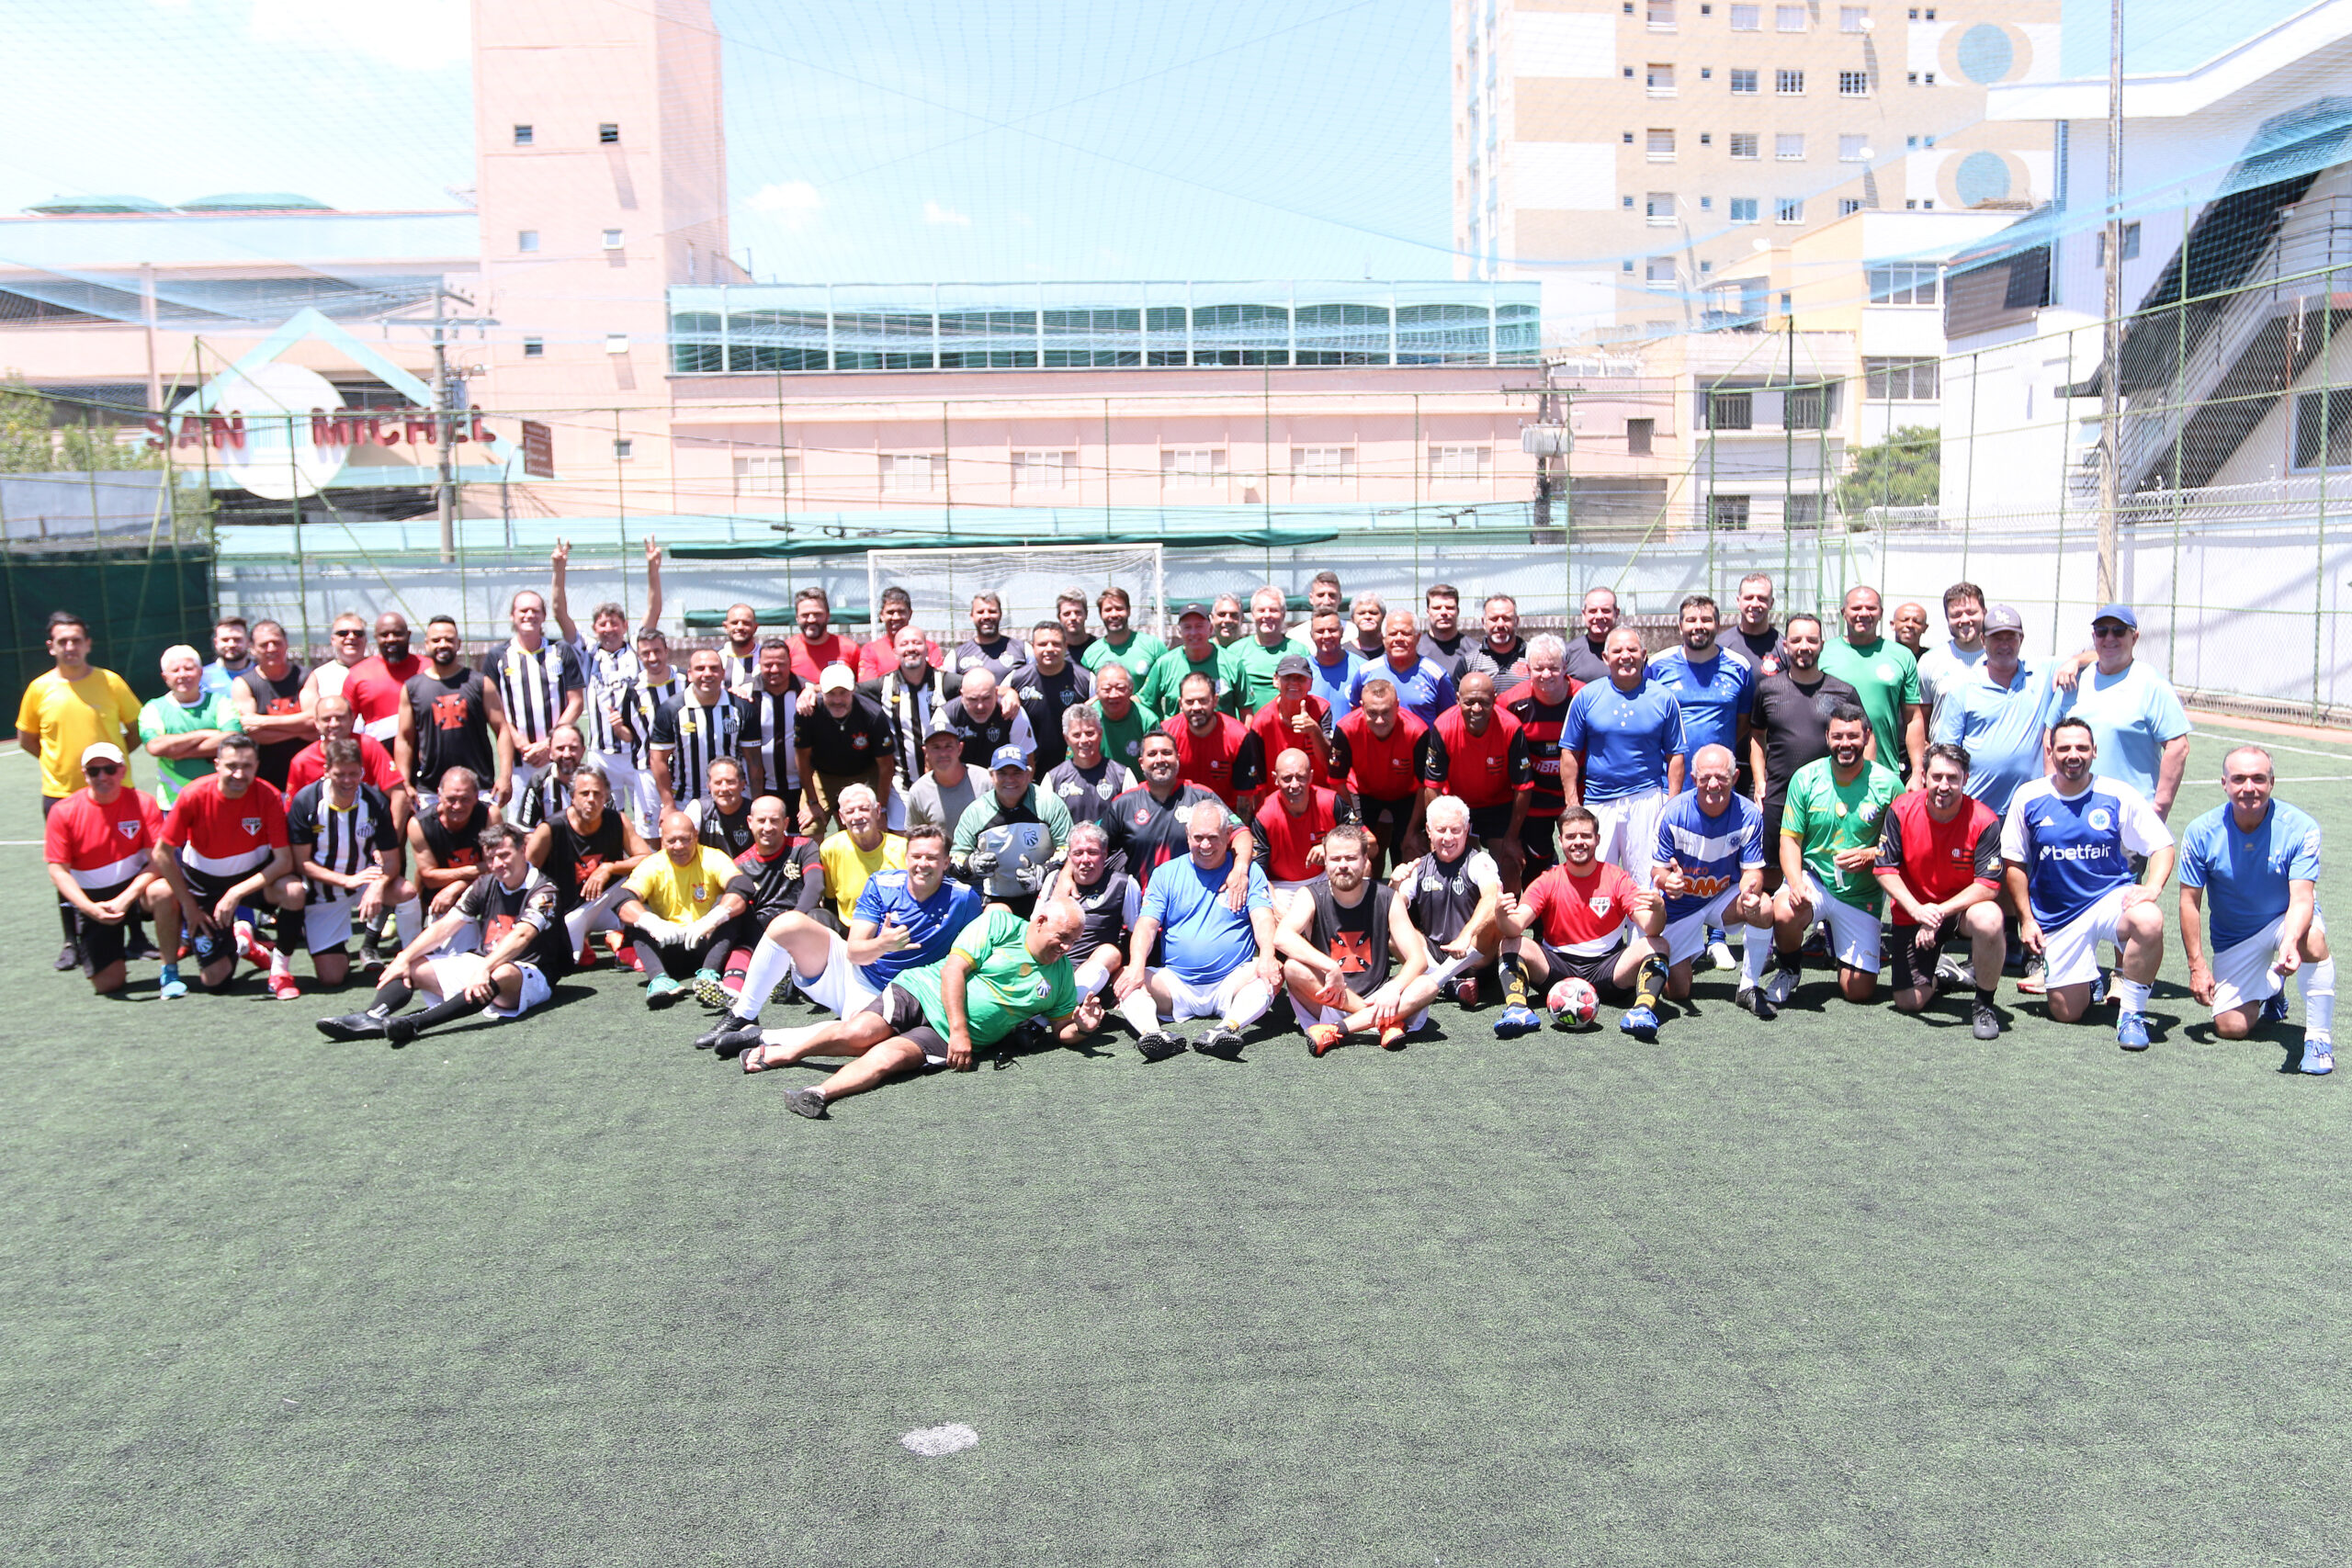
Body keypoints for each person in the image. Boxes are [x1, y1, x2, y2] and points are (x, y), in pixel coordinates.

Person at [742, 900, 1102, 1120]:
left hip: (941, 1035)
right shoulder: (1000, 925)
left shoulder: (1062, 974)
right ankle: (783, 1053)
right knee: (858, 1033)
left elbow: (1061, 1030)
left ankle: (817, 1094)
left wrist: (1081, 1026)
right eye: (1063, 936)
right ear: (1040, 922)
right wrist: (961, 1033)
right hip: (921, 990)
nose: (1067, 947)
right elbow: (953, 970)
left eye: (1074, 940)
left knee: (887, 1058)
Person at [699, 822, 978, 1054]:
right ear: (906, 858)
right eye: (916, 856)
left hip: (897, 996)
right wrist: (885, 944)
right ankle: (742, 1015)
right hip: (854, 972)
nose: (923, 864)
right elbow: (855, 952)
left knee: (861, 1036)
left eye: (932, 858)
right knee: (788, 924)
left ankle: (762, 1037)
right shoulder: (882, 884)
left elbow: (976, 950)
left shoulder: (963, 898)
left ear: (946, 862)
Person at [2003, 717, 2175, 1049]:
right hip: (2059, 916)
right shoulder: (2030, 796)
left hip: (2110, 898)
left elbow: (2162, 845)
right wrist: (2025, 919)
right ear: (2050, 752)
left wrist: (2152, 887)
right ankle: (2089, 979)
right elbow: (2014, 862)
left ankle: (2132, 1015)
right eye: (2064, 747)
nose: (2073, 754)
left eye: (2082, 747)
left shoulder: (2116, 794)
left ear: (2094, 751)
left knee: (2150, 920)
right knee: (2068, 1011)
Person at [316, 821, 569, 1045]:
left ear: (523, 850)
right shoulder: (485, 882)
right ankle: (371, 1016)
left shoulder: (544, 891)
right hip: (484, 965)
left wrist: (485, 968)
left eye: (504, 855)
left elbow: (522, 936)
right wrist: (404, 957)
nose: (497, 865)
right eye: (491, 859)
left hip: (530, 975)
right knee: (412, 965)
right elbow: (447, 925)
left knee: (501, 972)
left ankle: (416, 1023)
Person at [2179, 744, 2333, 1074]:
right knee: (2231, 1027)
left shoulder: (2301, 827)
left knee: (2312, 941)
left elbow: (2303, 897)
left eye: (2258, 779)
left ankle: (2318, 1041)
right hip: (2235, 936)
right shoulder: (2200, 832)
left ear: (2272, 782)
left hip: (2284, 918)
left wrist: (2290, 942)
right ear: (2224, 783)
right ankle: (2272, 988)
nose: (2249, 787)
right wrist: (2197, 966)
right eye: (2239, 779)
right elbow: (2189, 902)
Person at [21, 611, 149, 971]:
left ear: (88, 643)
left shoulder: (110, 682)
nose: (70, 647)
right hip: (61, 795)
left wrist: (112, 769)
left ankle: (136, 937)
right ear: (51, 647)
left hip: (117, 792)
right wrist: (60, 766)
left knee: (130, 860)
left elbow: (135, 728)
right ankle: (71, 942)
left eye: (77, 640)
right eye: (62, 641)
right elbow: (28, 739)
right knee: (66, 868)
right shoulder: (39, 688)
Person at [1115, 799, 1281, 1061]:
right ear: (1187, 835)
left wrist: (1269, 955)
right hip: (1176, 984)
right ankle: (1154, 1035)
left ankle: (1226, 1029)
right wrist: (1137, 965)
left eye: (1213, 838)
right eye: (1199, 837)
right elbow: (1147, 925)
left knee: (1269, 975)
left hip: (1231, 981)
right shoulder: (1166, 873)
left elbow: (1263, 919)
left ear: (1228, 835)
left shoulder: (1248, 873)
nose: (1205, 845)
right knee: (1127, 979)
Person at [1489, 807, 1669, 1040]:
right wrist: (1502, 915)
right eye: (1571, 836)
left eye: (1585, 835)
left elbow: (1652, 928)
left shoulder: (1617, 878)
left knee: (1659, 945)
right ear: (1560, 840)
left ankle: (1641, 1011)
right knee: (1511, 943)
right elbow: (1515, 926)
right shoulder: (1548, 881)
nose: (1579, 842)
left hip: (1608, 969)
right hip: (1557, 969)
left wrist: (1658, 910)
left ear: (1597, 839)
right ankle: (1517, 1010)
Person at [1765, 702, 1899, 1008]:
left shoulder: (1889, 784)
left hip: (1859, 892)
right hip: (1816, 880)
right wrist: (1795, 882)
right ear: (1827, 737)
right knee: (1785, 909)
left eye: (1852, 736)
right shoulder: (1805, 778)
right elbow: (1789, 839)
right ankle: (1789, 969)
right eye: (1838, 736)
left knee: (1859, 992)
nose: (1845, 744)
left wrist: (1869, 855)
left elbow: (1899, 847)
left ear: (1866, 736)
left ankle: (1837, 940)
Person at [150, 733, 301, 999]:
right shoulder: (193, 795)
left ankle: (280, 972)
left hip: (251, 879)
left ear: (257, 765)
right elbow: (162, 854)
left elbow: (284, 861)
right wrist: (189, 907)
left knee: (293, 891)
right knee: (215, 981)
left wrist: (235, 893)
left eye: (247, 766)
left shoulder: (268, 795)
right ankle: (174, 969)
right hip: (203, 884)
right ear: (217, 764)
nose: (239, 774)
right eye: (232, 766)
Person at [1874, 741, 2007, 1039]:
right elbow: (1884, 870)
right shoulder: (1901, 810)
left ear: (1966, 780)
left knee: (1990, 918)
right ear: (1924, 777)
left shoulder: (1985, 821)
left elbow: (1988, 885)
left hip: (1960, 912)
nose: (1943, 785)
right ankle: (1944, 974)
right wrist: (1917, 910)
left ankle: (1984, 1005)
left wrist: (1937, 913)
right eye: (1937, 777)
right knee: (1909, 1001)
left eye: (1952, 778)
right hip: (1914, 911)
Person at [1277, 824, 1439, 1055]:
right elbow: (1282, 937)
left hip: (1381, 997)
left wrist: (1394, 987)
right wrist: (1330, 966)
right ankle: (1381, 1022)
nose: (1342, 865)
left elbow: (1417, 959)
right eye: (1335, 858)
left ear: (1365, 860)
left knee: (1428, 984)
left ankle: (1338, 1030)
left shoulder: (1387, 898)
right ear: (1326, 861)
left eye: (1351, 858)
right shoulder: (1310, 895)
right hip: (1331, 997)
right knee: (1293, 968)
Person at [1649, 744, 1778, 1018]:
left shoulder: (1750, 814)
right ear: (1693, 780)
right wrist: (1668, 882)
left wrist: (1750, 891)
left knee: (1764, 907)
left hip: (1721, 898)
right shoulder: (1672, 813)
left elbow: (1753, 872)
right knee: (1678, 990)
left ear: (1735, 777)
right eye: (1705, 777)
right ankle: (1686, 953)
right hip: (1679, 906)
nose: (1713, 784)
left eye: (1721, 777)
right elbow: (1657, 871)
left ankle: (1748, 987)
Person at [43, 741, 172, 996]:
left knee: (164, 891)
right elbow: (58, 870)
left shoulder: (143, 803)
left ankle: (171, 969)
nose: (103, 776)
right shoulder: (63, 812)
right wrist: (90, 908)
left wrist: (126, 899)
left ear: (122, 771)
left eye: (110, 769)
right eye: (94, 771)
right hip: (95, 900)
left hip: (137, 892)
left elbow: (158, 860)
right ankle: (115, 952)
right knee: (108, 984)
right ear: (85, 775)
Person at [1562, 626, 1686, 887]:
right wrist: (1574, 806)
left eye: (1632, 650)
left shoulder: (1664, 698)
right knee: (1593, 884)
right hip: (1598, 803)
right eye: (1617, 651)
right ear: (1606, 658)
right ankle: (1602, 931)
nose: (1625, 656)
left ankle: (1644, 931)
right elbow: (1570, 753)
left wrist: (1671, 807)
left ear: (1644, 655)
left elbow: (1675, 756)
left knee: (1646, 885)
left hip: (1646, 800)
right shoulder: (1586, 697)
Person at [284, 738, 413, 989]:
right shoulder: (307, 802)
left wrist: (378, 886)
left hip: (365, 881)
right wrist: (346, 880)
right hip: (324, 891)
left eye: (353, 773)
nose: (347, 780)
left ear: (362, 771)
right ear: (326, 771)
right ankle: (338, 949)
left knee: (405, 891)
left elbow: (392, 860)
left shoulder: (374, 801)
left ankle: (412, 955)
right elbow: (302, 864)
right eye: (339, 774)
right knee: (332, 978)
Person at [1746, 614, 1863, 888]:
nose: (1804, 646)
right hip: (1779, 796)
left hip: (1830, 797)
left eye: (1811, 640)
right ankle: (1771, 930)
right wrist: (1760, 783)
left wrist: (1859, 784)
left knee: (1828, 869)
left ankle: (1825, 930)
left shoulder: (1843, 691)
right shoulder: (1768, 689)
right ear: (1785, 646)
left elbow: (1862, 740)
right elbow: (1756, 737)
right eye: (1796, 640)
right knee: (1772, 870)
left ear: (1822, 644)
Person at [549, 534, 662, 815]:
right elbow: (559, 613)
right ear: (595, 628)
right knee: (602, 817)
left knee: (648, 818)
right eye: (602, 624)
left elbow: (654, 609)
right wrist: (558, 570)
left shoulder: (637, 649)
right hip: (601, 755)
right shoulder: (587, 651)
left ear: (624, 626)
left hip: (637, 751)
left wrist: (653, 569)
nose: (609, 628)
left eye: (614, 623)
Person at [2049, 603, 2193, 822]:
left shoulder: (2152, 684)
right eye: (2102, 631)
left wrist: (2160, 807)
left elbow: (2178, 747)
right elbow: (2049, 736)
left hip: (2127, 817)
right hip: (2071, 811)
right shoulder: (2073, 680)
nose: (2109, 638)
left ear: (2134, 638)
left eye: (2118, 631)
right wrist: (2053, 792)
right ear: (2094, 636)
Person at [613, 808, 755, 1006]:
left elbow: (742, 886)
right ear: (662, 840)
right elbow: (621, 899)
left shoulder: (713, 857)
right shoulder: (652, 864)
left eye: (685, 839)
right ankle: (659, 979)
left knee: (732, 908)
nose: (678, 846)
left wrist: (712, 919)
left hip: (707, 942)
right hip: (668, 944)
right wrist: (652, 923)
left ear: (696, 836)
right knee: (636, 920)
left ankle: (709, 975)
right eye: (671, 841)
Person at [1932, 604, 2053, 820]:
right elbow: (1946, 751)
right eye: (1997, 638)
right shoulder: (1963, 688)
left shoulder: (2043, 674)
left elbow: (2094, 657)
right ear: (1983, 641)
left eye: (2011, 637)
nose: (2004, 644)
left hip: (2030, 810)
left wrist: (2075, 663)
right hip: (1976, 809)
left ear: (2021, 640)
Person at [525, 758, 652, 963]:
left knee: (650, 895)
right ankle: (585, 940)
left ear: (606, 797)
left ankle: (624, 941)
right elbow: (526, 875)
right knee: (570, 961)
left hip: (607, 902)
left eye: (597, 793)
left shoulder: (617, 820)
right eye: (584, 793)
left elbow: (648, 860)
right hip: (568, 911)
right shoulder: (550, 829)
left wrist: (609, 867)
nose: (591, 799)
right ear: (572, 797)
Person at [1101, 730, 1252, 889]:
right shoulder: (1123, 803)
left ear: (1178, 758)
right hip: (1142, 903)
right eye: (1152, 754)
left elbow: (1240, 832)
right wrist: (1070, 875)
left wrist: (1240, 869)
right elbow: (1093, 846)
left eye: (1167, 753)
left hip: (1195, 901)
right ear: (1141, 762)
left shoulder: (1201, 796)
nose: (1160, 759)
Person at [1393, 793, 1505, 1006]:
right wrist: (1395, 886)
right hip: (1436, 954)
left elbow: (1491, 898)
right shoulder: (1419, 866)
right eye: (1441, 830)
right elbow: (1395, 909)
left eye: (1455, 830)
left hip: (1475, 955)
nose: (1448, 838)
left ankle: (1438, 981)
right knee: (1393, 931)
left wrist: (1466, 935)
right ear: (1428, 830)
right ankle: (1450, 982)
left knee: (1494, 916)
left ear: (1466, 830)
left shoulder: (1480, 861)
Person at [396, 615, 511, 815]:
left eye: (449, 640)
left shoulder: (480, 683)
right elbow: (405, 739)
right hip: (431, 791)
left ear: (458, 644)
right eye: (436, 640)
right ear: (426, 644)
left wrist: (505, 776)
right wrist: (405, 782)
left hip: (479, 788)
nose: (443, 644)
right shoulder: (412, 688)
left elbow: (502, 730)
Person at [489, 588, 586, 819]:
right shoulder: (498, 656)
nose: (529, 615)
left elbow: (576, 703)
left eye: (535, 610)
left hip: (558, 756)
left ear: (543, 616)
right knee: (521, 825)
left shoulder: (562, 651)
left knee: (567, 819)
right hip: (520, 759)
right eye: (523, 610)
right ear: (512, 616)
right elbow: (495, 709)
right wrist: (521, 744)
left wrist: (549, 744)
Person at [1431, 671, 1532, 889]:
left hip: (1498, 804)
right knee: (1455, 861)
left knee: (1509, 861)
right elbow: (1433, 785)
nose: (1476, 709)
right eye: (1469, 702)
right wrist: (1435, 828)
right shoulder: (1443, 726)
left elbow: (1523, 787)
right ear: (1458, 699)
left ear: (1495, 699)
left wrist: (1512, 837)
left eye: (1484, 703)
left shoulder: (1511, 727)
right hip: (1457, 804)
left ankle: (1508, 919)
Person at [1329, 677, 1443, 869]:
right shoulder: (1345, 728)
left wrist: (1412, 832)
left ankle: (1407, 897)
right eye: (1372, 713)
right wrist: (1357, 826)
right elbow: (1336, 781)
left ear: (1397, 706)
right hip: (1362, 793)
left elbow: (1426, 785)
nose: (1380, 720)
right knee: (1362, 850)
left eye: (1386, 712)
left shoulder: (1417, 731)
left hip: (1406, 795)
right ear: (1361, 706)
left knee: (1410, 850)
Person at [1816, 586, 1924, 784]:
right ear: (1843, 612)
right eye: (1856, 608)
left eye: (1871, 608)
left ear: (1881, 613)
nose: (1864, 614)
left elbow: (1913, 718)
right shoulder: (1823, 653)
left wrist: (1917, 771)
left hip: (1883, 773)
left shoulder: (1902, 656)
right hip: (1830, 773)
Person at [1646, 594, 1753, 794]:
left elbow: (1744, 722)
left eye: (1706, 620)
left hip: (1718, 783)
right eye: (1691, 620)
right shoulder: (1657, 666)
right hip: (1667, 785)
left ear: (1718, 625)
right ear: (1680, 626)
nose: (1699, 626)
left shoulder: (1739, 667)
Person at [952, 746, 1073, 915]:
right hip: (996, 898)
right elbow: (955, 858)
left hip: (1045, 895)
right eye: (1002, 773)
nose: (1010, 780)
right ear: (991, 775)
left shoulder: (1049, 804)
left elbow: (1068, 849)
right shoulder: (976, 813)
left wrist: (1044, 872)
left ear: (1029, 774)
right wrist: (971, 865)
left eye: (1017, 772)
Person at [1500, 634, 1578, 883]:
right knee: (1537, 866)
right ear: (1527, 668)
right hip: (1534, 800)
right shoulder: (1510, 702)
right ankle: (1542, 920)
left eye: (1554, 667)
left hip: (1578, 795)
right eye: (1539, 668)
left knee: (1583, 857)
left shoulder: (1585, 697)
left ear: (1565, 666)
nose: (1546, 674)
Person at [796, 662, 898, 831]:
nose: (837, 700)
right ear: (822, 692)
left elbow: (886, 766)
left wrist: (881, 807)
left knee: (874, 829)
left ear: (853, 690)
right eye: (831, 694)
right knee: (810, 827)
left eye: (843, 693)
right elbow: (802, 759)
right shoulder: (809, 713)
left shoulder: (872, 714)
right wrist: (812, 802)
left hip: (866, 775)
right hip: (823, 776)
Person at [1252, 747, 1353, 916]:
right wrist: (1275, 906)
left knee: (1364, 867)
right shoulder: (1263, 816)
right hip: (1283, 887)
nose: (1294, 785)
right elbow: (1257, 872)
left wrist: (1332, 847)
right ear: (1275, 779)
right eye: (1286, 778)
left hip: (1326, 876)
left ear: (1311, 776)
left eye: (1300, 777)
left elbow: (1368, 844)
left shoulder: (1332, 802)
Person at [650, 649, 752, 813]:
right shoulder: (670, 709)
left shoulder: (741, 708)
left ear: (723, 673)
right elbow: (658, 760)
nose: (707, 674)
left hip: (733, 799)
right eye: (700, 668)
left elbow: (754, 761)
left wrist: (756, 802)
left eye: (713, 668)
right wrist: (668, 805)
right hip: (686, 801)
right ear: (689, 674)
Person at [140, 642, 242, 807]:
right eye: (175, 670)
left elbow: (232, 740)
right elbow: (155, 747)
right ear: (165, 677)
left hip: (220, 798)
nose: (182, 675)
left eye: (188, 668)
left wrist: (177, 752)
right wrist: (204, 734)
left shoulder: (220, 702)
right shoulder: (153, 708)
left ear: (201, 673)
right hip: (174, 803)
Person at [286, 694, 407, 820]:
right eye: (327, 719)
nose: (334, 724)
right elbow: (293, 813)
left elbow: (399, 795)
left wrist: (390, 838)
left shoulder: (369, 746)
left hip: (367, 831)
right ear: (316, 722)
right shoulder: (302, 762)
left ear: (352, 718)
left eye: (340, 718)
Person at [1059, 821, 1140, 1009]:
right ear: (1069, 856)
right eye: (1078, 853)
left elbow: (1136, 934)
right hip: (1054, 967)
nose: (1085, 859)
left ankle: (1062, 1007)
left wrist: (1132, 971)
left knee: (1109, 952)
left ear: (1105, 854)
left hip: (1094, 972)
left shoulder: (1123, 884)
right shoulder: (1054, 881)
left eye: (1093, 852)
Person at [228, 618, 313, 792]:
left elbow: (314, 722)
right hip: (265, 778)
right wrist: (300, 728)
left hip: (306, 776)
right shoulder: (244, 683)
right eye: (264, 645)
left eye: (276, 643)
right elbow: (252, 732)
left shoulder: (305, 676)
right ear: (252, 649)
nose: (272, 649)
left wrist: (262, 721)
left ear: (286, 644)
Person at [609, 626, 681, 829]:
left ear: (666, 651)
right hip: (647, 772)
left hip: (685, 770)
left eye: (657, 651)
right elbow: (629, 736)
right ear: (639, 656)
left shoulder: (685, 680)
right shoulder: (632, 690)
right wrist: (617, 728)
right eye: (646, 653)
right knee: (651, 833)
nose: (652, 657)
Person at [1238, 654, 1336, 793]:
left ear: (1311, 683)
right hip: (1279, 798)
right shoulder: (1261, 722)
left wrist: (1315, 731)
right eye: (1287, 677)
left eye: (1300, 678)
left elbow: (1330, 763)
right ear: (1276, 680)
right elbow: (1259, 780)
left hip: (1319, 795)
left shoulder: (1321, 709)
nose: (1294, 683)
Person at [813, 784, 909, 926]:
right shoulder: (830, 848)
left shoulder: (903, 848)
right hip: (850, 929)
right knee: (817, 916)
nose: (857, 816)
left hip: (896, 926)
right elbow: (830, 899)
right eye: (850, 811)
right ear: (841, 817)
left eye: (864, 809)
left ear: (877, 811)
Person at [1010, 621, 1093, 773]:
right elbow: (994, 694)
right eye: (1042, 644)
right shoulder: (1016, 679)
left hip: (1076, 773)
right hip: (1029, 774)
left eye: (1056, 644)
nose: (1049, 649)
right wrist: (1008, 692)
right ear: (1033, 646)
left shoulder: (1086, 680)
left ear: (1065, 646)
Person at [410, 767, 491, 923]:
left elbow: (494, 868)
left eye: (465, 799)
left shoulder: (488, 815)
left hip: (481, 892)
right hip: (438, 898)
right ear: (439, 796)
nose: (458, 806)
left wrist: (458, 886)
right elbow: (429, 877)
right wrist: (476, 869)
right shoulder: (419, 824)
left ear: (476, 797)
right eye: (451, 799)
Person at [1346, 612, 1456, 726]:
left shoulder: (1436, 675)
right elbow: (1355, 719)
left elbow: (1449, 722)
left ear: (1418, 638)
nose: (1399, 638)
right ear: (1383, 638)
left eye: (1406, 633)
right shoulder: (1365, 673)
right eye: (1393, 633)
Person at [1162, 671, 1254, 808]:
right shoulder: (1166, 735)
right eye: (1190, 701)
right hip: (1177, 813)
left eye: (1203, 700)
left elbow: (1244, 797)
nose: (1196, 707)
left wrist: (1237, 828)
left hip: (1225, 816)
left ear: (1215, 700)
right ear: (1180, 703)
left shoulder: (1239, 737)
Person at [1045, 703, 1136, 828]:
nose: (1084, 740)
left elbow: (1133, 822)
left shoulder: (1123, 776)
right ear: (1066, 738)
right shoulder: (1053, 779)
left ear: (1100, 734)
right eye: (1076, 735)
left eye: (1089, 733)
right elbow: (1046, 826)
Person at [739, 638, 801, 813]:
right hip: (760, 788)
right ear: (759, 663)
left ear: (790, 663)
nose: (774, 670)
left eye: (780, 664)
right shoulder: (746, 694)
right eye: (768, 664)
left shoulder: (805, 691)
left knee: (805, 838)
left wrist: (815, 689)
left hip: (802, 788)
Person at [344, 611, 424, 746]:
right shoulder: (357, 674)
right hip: (379, 758)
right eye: (384, 635)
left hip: (426, 755)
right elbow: (344, 725)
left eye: (398, 633)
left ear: (408, 635)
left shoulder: (429, 669)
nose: (391, 639)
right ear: (375, 637)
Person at [1914, 581, 1986, 731]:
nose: (1965, 619)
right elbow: (1920, 720)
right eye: (1956, 615)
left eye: (1971, 612)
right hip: (1944, 752)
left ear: (1984, 612)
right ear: (1947, 618)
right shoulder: (1930, 661)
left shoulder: (2002, 659)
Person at [1139, 603, 1228, 718]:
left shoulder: (1231, 663)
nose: (1193, 632)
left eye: (1199, 626)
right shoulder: (1164, 664)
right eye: (1187, 627)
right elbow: (1145, 701)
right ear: (1179, 631)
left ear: (1210, 628)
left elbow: (1245, 710)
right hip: (1175, 735)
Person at [940, 666, 1034, 772]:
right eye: (973, 699)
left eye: (986, 698)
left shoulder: (1013, 713)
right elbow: (933, 762)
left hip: (1003, 783)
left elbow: (1027, 765)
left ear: (996, 693)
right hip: (958, 782)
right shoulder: (945, 716)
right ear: (962, 696)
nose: (980, 706)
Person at [903, 716, 982, 837]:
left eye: (948, 746)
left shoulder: (985, 781)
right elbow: (915, 838)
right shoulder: (918, 791)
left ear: (960, 748)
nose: (943, 753)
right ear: (926, 752)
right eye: (936, 747)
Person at [1223, 586, 1297, 714]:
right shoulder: (1234, 652)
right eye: (1261, 610)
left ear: (1283, 614)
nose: (1267, 615)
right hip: (1247, 729)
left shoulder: (1298, 651)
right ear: (1252, 615)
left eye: (1274, 610)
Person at [1077, 585, 1165, 683]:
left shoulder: (1153, 647)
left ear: (1129, 611)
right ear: (1100, 614)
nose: (1114, 614)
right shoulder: (1091, 655)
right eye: (1108, 610)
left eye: (1119, 608)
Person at [858, 584, 943, 678]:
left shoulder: (929, 648)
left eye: (901, 612)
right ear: (882, 615)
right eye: (890, 612)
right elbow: (869, 689)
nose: (896, 617)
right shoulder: (871, 650)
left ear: (910, 614)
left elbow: (938, 682)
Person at [947, 592, 1033, 682]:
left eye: (992, 611)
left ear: (1000, 614)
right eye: (980, 612)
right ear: (972, 616)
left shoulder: (1024, 650)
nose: (986, 616)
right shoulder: (956, 656)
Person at [1091, 661, 1159, 774]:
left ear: (1131, 689)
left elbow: (1157, 762)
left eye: (1120, 688)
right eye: (1106, 689)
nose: (1113, 695)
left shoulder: (1147, 720)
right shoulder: (1088, 719)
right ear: (1097, 691)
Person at [298, 612, 371, 715]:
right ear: (333, 640)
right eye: (343, 633)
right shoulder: (318, 676)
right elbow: (310, 717)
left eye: (358, 633)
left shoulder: (380, 670)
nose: (351, 637)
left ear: (366, 639)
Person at [684, 755, 755, 857]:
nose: (724, 788)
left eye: (730, 782)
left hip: (745, 871)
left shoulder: (755, 811)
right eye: (718, 783)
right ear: (708, 786)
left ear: (743, 784)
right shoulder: (698, 808)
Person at [785, 585, 855, 685]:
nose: (811, 620)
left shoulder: (850, 648)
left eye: (817, 614)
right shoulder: (787, 650)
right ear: (797, 618)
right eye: (805, 615)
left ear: (828, 616)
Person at [1303, 608, 1361, 716]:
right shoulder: (1302, 671)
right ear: (1311, 635)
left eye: (1332, 630)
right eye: (1320, 631)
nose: (1327, 636)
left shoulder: (1362, 669)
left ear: (1342, 631)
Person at [1726, 573, 1783, 678]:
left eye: (1762, 598)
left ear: (1771, 603)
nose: (1755, 604)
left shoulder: (1784, 649)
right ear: (1739, 602)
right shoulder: (1721, 646)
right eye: (1749, 598)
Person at [1464, 594, 1531, 683]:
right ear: (1484, 622)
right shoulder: (1469, 662)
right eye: (1494, 619)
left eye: (1506, 618)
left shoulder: (1532, 656)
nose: (1500, 625)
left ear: (1517, 621)